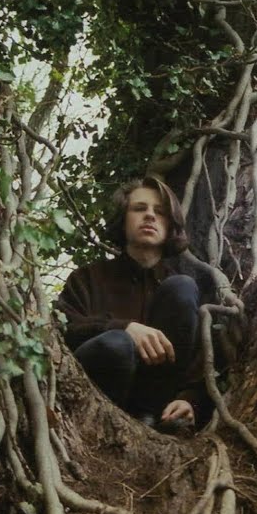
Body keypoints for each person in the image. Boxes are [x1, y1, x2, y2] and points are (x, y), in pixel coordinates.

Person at [56, 176, 216, 431]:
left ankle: (149, 417)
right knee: (117, 343)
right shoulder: (86, 278)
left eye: (160, 212)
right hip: (97, 395)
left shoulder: (186, 290)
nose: (150, 216)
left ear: (170, 224)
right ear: (123, 219)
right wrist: (124, 327)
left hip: (156, 408)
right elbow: (62, 330)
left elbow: (202, 362)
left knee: (181, 287)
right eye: (140, 208)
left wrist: (189, 401)